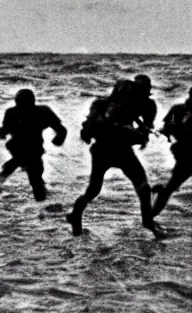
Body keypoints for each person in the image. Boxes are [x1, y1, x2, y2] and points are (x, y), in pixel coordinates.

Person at [66, 79, 165, 238]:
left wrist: (140, 132)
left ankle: (75, 214)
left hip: (111, 150)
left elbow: (142, 133)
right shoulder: (111, 107)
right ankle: (147, 222)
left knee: (96, 190)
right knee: (137, 186)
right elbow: (95, 129)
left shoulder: (111, 105)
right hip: (112, 151)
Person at [0, 89, 67, 201]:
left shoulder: (41, 112)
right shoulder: (14, 113)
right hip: (19, 147)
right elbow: (6, 129)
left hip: (33, 148)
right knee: (34, 175)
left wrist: (59, 138)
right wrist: (1, 132)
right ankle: (41, 202)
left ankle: (3, 177)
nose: (23, 107)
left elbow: (61, 129)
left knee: (33, 174)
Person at [151, 87, 192, 217]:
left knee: (171, 187)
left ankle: (151, 215)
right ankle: (151, 215)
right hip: (187, 154)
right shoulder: (181, 111)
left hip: (183, 153)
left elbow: (166, 129)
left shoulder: (178, 109)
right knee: (171, 187)